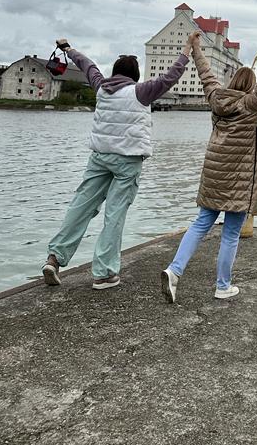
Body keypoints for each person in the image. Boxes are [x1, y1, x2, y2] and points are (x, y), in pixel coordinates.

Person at [42, 34, 192, 290]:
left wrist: (68, 49)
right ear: (134, 76)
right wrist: (187, 50)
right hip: (127, 161)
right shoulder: (140, 91)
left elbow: (87, 64)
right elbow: (170, 77)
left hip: (99, 157)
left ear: (115, 72)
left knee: (81, 205)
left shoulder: (101, 87)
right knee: (114, 215)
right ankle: (103, 273)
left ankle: (54, 259)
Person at [161, 36, 257, 303]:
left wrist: (196, 49)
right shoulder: (251, 105)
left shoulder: (217, 98)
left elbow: (206, 73)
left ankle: (174, 270)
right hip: (240, 182)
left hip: (214, 176)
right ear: (251, 87)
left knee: (200, 224)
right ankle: (223, 285)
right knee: (230, 234)